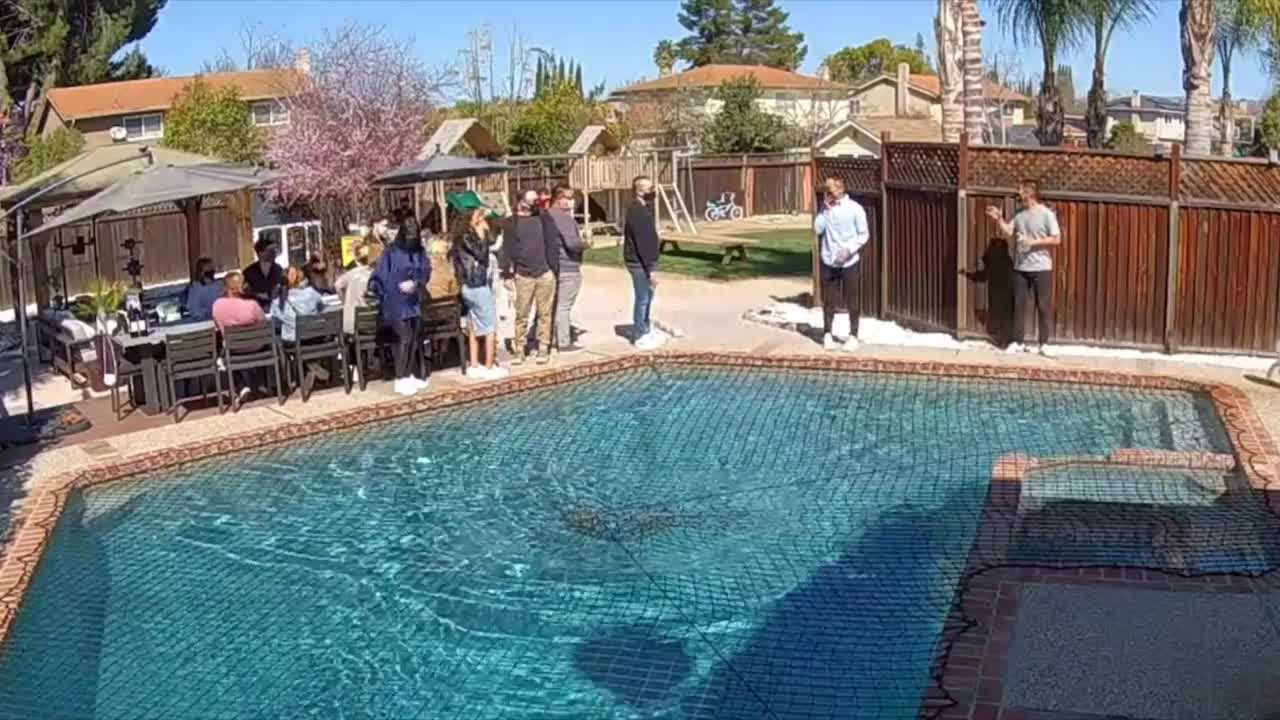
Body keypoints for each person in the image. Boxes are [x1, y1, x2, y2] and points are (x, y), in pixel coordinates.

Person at [985, 179, 1061, 357]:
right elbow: (1009, 231)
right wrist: (999, 219)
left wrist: (1033, 242)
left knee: (1042, 307)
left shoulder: (1046, 214)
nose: (1018, 192)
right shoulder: (1019, 213)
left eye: (1021, 190)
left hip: (1042, 268)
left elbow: (1057, 239)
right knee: (1019, 306)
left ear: (1030, 194)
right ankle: (1017, 342)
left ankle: (1044, 344)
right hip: (1021, 267)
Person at [371, 215, 430, 396]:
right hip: (395, 300)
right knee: (402, 339)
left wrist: (417, 283)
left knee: (413, 338)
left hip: (413, 299)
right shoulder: (391, 252)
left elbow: (426, 269)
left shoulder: (419, 251)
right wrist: (389, 292)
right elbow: (379, 277)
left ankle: (409, 373)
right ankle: (400, 376)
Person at [813, 177, 870, 352]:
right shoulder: (825, 208)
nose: (828, 193)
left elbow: (864, 234)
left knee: (851, 299)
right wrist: (825, 211)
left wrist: (849, 250)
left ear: (841, 189)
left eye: (831, 190)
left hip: (849, 261)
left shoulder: (855, 209)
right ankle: (827, 333)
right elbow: (817, 229)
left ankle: (853, 335)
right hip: (829, 260)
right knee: (829, 299)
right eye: (827, 190)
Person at [451, 208, 508, 379]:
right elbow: (482, 256)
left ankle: (474, 365)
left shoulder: (462, 238)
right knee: (490, 327)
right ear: (471, 220)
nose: (483, 220)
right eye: (480, 217)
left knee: (474, 326)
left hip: (468, 287)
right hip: (477, 286)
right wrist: (482, 234)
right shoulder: (467, 238)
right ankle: (490, 367)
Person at [500, 189, 556, 365]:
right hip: (523, 274)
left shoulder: (543, 218)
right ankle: (520, 350)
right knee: (521, 314)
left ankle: (543, 348)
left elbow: (552, 241)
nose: (535, 203)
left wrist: (554, 268)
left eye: (536, 200)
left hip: (545, 272)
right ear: (521, 202)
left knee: (544, 313)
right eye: (531, 200)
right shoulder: (512, 223)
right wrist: (507, 274)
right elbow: (507, 249)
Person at [542, 183, 591, 353]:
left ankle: (546, 338)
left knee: (551, 305)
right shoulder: (563, 218)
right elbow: (572, 243)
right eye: (569, 198)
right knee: (563, 306)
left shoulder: (545, 215)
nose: (571, 202)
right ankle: (563, 341)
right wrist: (587, 244)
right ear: (559, 199)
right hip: (568, 266)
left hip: (551, 265)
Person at [213, 271, 269, 404]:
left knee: (228, 350)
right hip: (256, 346)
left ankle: (241, 386)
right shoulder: (252, 305)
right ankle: (262, 384)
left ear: (226, 288)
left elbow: (218, 327)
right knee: (271, 343)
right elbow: (264, 324)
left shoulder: (217, 306)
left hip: (234, 348)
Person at [623, 175, 663, 350]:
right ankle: (639, 333)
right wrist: (651, 268)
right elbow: (643, 242)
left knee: (648, 296)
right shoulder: (637, 211)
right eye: (649, 189)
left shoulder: (644, 208)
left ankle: (645, 327)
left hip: (643, 261)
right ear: (639, 191)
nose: (652, 191)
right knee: (643, 298)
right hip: (639, 263)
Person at [334, 240, 382, 335]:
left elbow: (337, 285)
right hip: (370, 327)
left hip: (350, 325)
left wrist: (344, 302)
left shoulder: (354, 272)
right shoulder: (376, 277)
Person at [270, 266, 325, 344]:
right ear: (300, 280)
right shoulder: (311, 293)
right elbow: (322, 307)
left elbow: (275, 321)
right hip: (316, 338)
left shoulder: (277, 302)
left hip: (295, 342)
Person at [243, 238, 284, 308]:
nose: (275, 252)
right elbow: (245, 292)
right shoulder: (248, 272)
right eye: (271, 250)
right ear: (260, 253)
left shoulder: (279, 269)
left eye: (275, 249)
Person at [185, 257, 223, 321]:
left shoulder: (220, 285)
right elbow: (194, 310)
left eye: (212, 271)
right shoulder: (196, 289)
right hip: (206, 320)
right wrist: (209, 311)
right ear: (200, 272)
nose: (210, 274)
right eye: (207, 272)